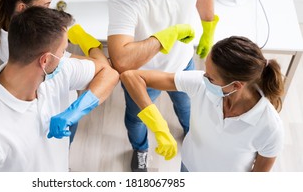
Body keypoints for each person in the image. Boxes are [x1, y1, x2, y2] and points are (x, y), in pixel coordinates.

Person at [0, 7, 119, 171]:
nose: (64, 57)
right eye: (63, 51)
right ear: (45, 60)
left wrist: (76, 110)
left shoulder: (59, 73)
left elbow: (108, 73)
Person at [107, 0, 218, 171]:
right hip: (142, 76)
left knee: (189, 109)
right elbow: (121, 61)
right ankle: (140, 149)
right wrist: (163, 38)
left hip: (183, 63)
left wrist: (209, 29)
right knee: (136, 120)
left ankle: (193, 136)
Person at [120, 36, 285, 172]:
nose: (204, 77)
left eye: (211, 77)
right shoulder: (201, 84)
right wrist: (158, 124)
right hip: (188, 166)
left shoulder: (270, 127)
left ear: (236, 85)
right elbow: (131, 76)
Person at [0, 0, 105, 144]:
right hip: (59, 110)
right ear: (22, 8)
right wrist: (89, 43)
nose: (50, 11)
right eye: (45, 6)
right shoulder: (47, 57)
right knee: (61, 147)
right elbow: (102, 67)